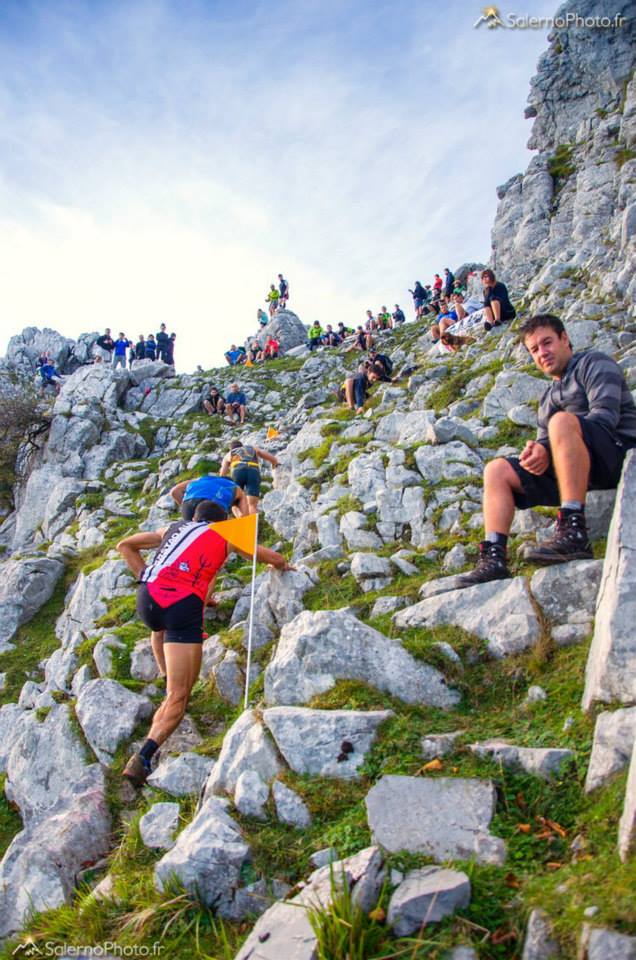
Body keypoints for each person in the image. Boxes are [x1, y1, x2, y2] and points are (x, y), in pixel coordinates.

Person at [118, 498, 294, 787]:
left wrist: (145, 576)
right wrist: (284, 564)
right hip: (181, 606)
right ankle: (144, 757)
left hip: (147, 600)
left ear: (194, 517)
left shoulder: (172, 529)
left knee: (172, 684)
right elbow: (271, 557)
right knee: (179, 696)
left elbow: (124, 545)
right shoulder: (225, 534)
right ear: (222, 520)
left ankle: (162, 701)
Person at [458, 314, 636, 587]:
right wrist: (538, 454)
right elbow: (545, 441)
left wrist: (553, 443)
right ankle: (494, 558)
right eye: (535, 349)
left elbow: (605, 418)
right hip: (577, 468)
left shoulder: (594, 363)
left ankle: (573, 530)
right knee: (497, 470)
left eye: (547, 342)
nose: (543, 353)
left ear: (565, 339)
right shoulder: (548, 398)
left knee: (562, 422)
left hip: (619, 453)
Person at [220, 439, 280, 513]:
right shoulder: (252, 448)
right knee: (252, 504)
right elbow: (262, 453)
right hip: (253, 471)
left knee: (235, 501)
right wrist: (274, 462)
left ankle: (241, 518)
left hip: (237, 471)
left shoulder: (229, 453)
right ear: (242, 445)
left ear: (231, 448)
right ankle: (252, 521)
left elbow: (223, 472)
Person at [170, 474, 249, 520]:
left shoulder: (201, 479)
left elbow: (174, 492)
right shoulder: (235, 487)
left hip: (188, 504)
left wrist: (185, 505)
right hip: (212, 505)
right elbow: (245, 518)